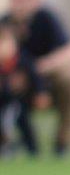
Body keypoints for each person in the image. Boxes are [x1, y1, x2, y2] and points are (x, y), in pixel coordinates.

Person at [1, 0, 70, 156]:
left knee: (68, 77)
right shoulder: (5, 23)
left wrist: (38, 68)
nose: (18, 3)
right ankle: (6, 143)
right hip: (14, 85)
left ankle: (62, 145)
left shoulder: (47, 19)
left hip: (45, 79)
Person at [0, 19, 47, 157]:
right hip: (3, 103)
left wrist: (41, 93)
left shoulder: (23, 61)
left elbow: (36, 77)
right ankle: (5, 147)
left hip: (20, 102)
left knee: (22, 122)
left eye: (5, 42)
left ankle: (33, 149)